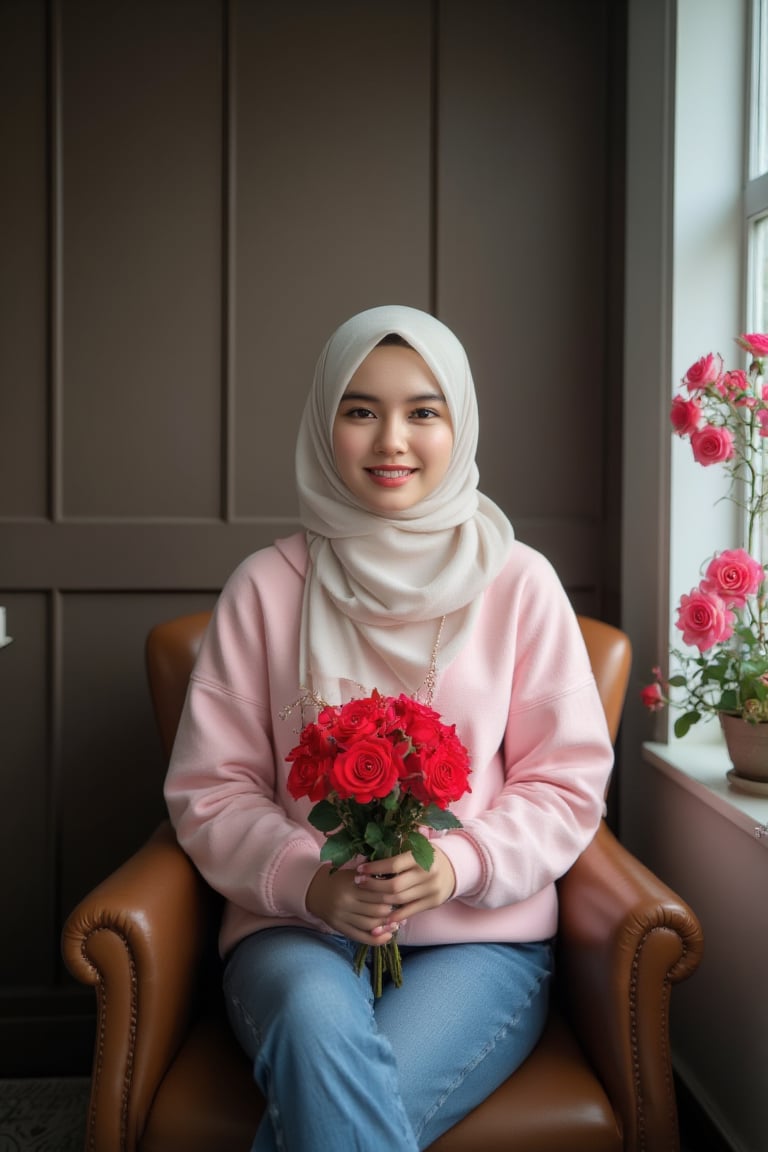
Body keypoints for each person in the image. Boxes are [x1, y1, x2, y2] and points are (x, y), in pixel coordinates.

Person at [164, 304, 614, 1151]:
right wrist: (311, 880)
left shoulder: (519, 583)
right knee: (315, 1028)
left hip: (478, 945)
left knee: (345, 1112)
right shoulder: (265, 587)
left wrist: (456, 864)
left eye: (423, 411)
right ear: (323, 421)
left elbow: (566, 783)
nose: (391, 441)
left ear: (461, 423)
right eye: (360, 409)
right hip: (294, 932)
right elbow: (210, 790)